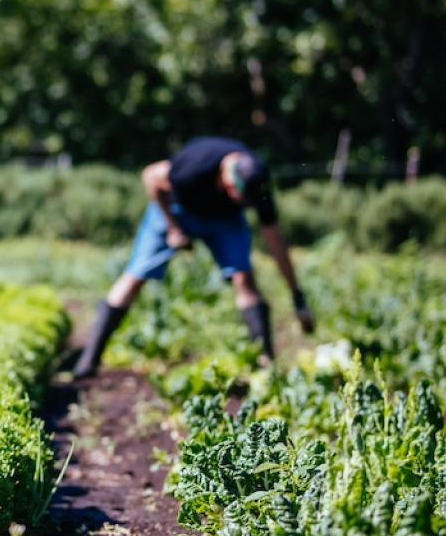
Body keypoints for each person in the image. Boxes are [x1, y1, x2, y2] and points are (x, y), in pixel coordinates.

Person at [73, 137, 315, 378]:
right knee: (136, 276)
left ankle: (267, 366)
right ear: (229, 183)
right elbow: (151, 176)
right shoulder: (195, 167)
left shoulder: (257, 184)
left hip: (223, 220)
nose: (242, 203)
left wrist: (297, 296)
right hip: (176, 208)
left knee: (244, 278)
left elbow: (276, 243)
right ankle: (89, 360)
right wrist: (173, 228)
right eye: (238, 197)